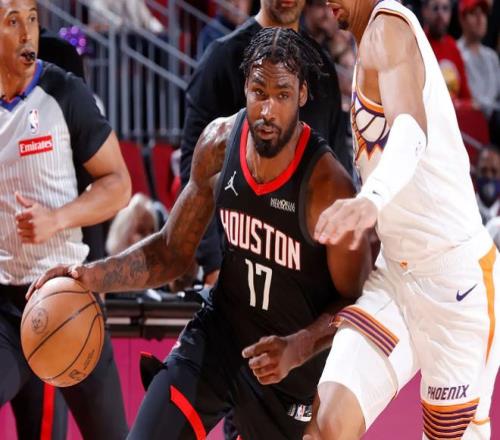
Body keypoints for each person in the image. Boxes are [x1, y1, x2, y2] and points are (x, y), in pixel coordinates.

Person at [31, 28, 373, 439]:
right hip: (219, 339)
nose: (267, 109)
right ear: (244, 88)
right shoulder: (218, 144)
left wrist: (299, 347)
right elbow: (171, 251)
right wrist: (90, 276)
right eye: (259, 92)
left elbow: (357, 301)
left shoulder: (328, 187)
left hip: (287, 366)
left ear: (302, 95)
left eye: (282, 95)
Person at [305, 0, 500, 439]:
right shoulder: (364, 48)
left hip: (455, 282)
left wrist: (369, 201)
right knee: (326, 425)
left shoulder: (388, 27)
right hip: (396, 274)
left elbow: (411, 128)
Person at [0, 1, 131, 439]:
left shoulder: (65, 92)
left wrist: (56, 219)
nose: (27, 33)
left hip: (66, 295)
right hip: (5, 307)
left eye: (32, 19)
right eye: (13, 21)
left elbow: (119, 184)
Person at [181, 0, 347, 288]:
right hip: (238, 261)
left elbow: (338, 166)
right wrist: (211, 264)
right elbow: (194, 168)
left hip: (305, 268)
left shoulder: (322, 67)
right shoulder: (222, 58)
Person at [457, 0, 500, 145]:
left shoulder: (492, 57)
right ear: (462, 18)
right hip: (467, 129)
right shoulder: (456, 53)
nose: (480, 19)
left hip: (493, 128)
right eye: (474, 14)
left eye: (483, 14)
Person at [422, 0, 473, 104]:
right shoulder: (419, 43)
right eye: (435, 8)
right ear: (425, 11)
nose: (440, 14)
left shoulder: (452, 46)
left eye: (445, 8)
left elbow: (465, 95)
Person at [475, 144, 500, 224]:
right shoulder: (463, 207)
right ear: (476, 172)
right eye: (484, 170)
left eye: (494, 171)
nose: (489, 176)